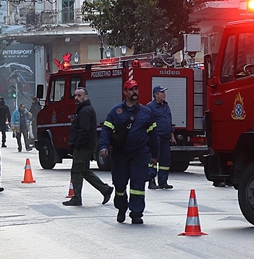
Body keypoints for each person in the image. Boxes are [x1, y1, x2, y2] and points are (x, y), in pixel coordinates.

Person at [99, 80, 158, 224]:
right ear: (125, 92)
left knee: (138, 184)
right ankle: (121, 207)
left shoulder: (146, 112)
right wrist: (104, 146)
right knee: (119, 184)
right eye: (131, 90)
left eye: (136, 89)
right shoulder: (116, 111)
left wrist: (155, 155)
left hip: (140, 154)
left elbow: (153, 135)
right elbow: (106, 130)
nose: (134, 92)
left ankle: (136, 213)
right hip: (120, 154)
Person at [64, 88, 112, 207]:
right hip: (86, 146)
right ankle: (105, 189)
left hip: (83, 147)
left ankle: (76, 198)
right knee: (84, 171)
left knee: (76, 171)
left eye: (79, 95)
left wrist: (77, 145)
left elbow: (84, 131)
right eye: (75, 95)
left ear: (86, 97)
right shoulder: (83, 110)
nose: (76, 98)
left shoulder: (85, 111)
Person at [146, 86, 175, 190]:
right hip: (155, 137)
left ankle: (163, 181)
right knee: (153, 159)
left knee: (165, 161)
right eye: (162, 92)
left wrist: (172, 135)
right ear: (156, 95)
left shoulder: (166, 106)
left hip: (166, 137)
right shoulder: (150, 107)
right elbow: (146, 122)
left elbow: (169, 120)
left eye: (164, 92)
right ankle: (151, 180)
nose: (164, 94)